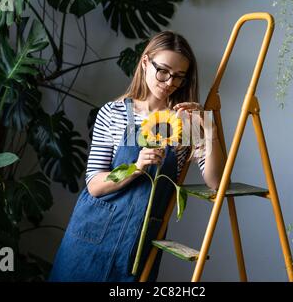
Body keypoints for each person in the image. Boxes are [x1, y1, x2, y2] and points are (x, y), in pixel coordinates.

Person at [49, 31, 225, 282]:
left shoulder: (185, 121)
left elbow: (216, 182)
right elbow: (95, 185)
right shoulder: (113, 112)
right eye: (163, 71)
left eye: (179, 77)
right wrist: (136, 167)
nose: (169, 82)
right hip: (90, 235)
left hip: (139, 240)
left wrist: (210, 131)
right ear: (145, 62)